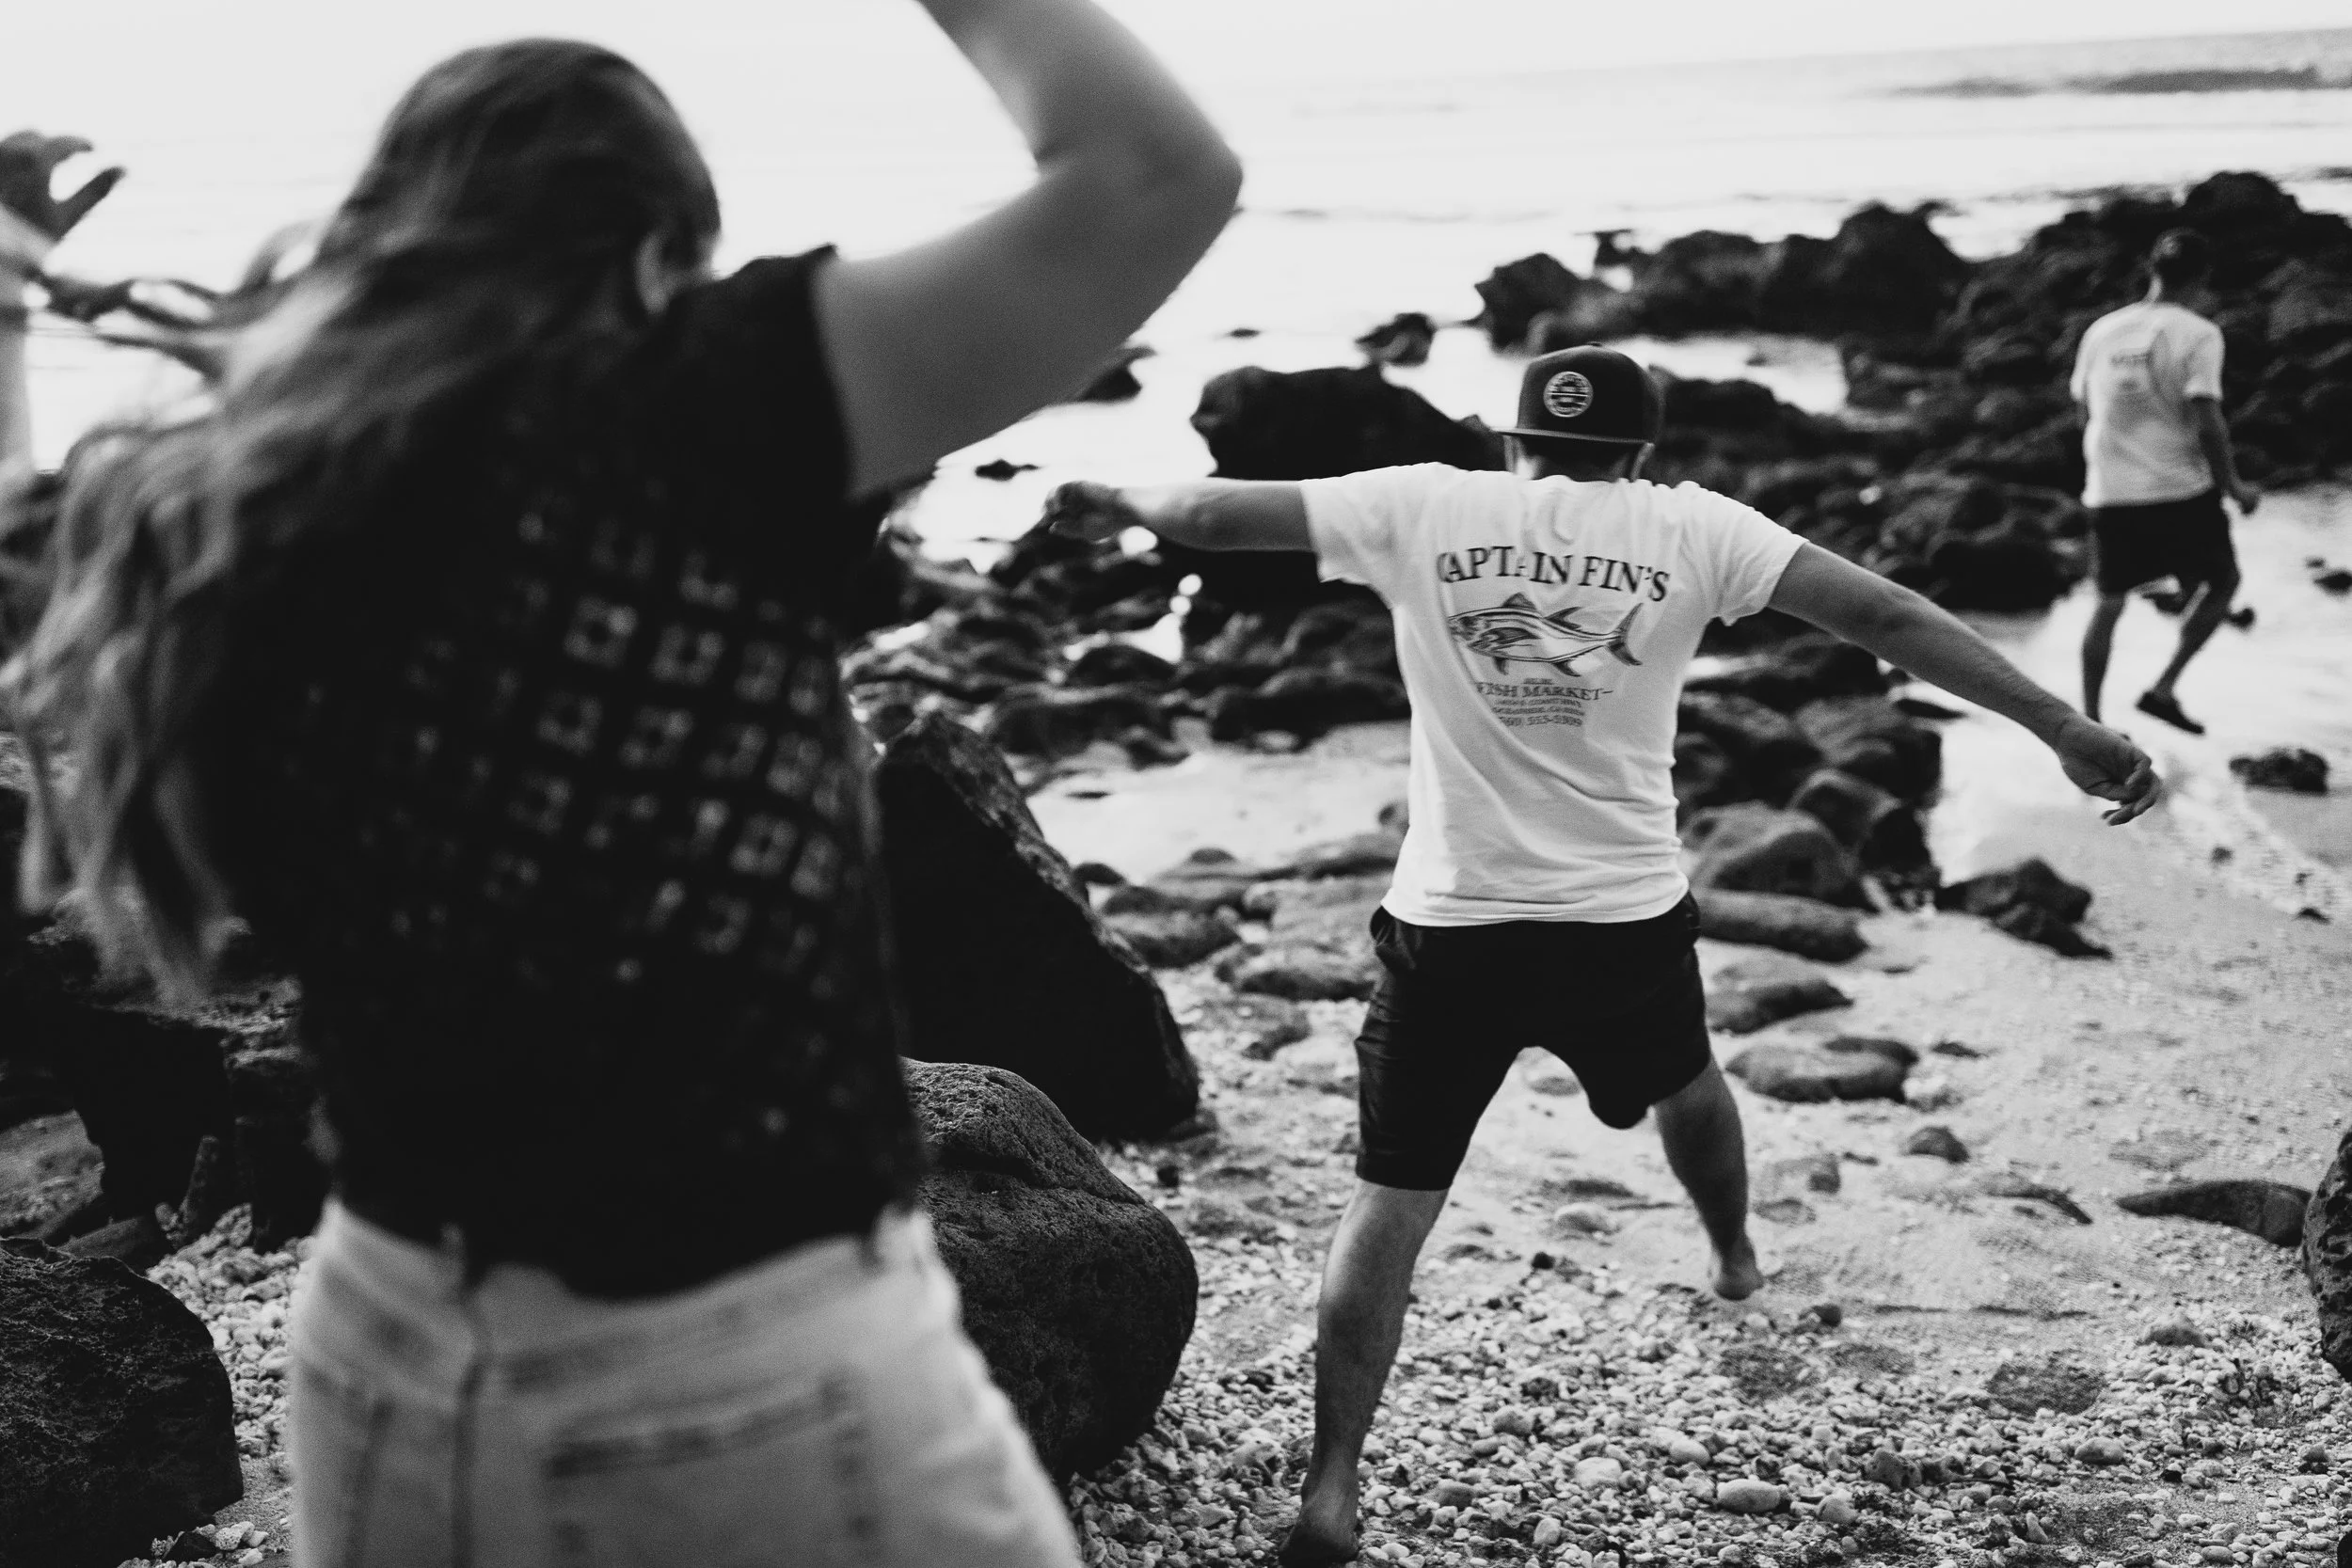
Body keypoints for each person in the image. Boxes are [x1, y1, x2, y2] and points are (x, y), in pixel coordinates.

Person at [0, 6, 1238, 1562]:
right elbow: (1154, 175)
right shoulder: (697, 405)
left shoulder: (253, 501)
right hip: (749, 1336)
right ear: (660, 245)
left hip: (398, 1344)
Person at [1045, 343, 2161, 1567]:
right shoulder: (1692, 527)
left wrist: (1116, 497)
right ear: (1638, 451)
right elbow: (1885, 614)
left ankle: (1331, 1489)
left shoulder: (1432, 500)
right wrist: (2062, 724)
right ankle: (1734, 1253)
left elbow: (1210, 512)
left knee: (1388, 1201)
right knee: (1689, 1078)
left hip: (1450, 929)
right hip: (1620, 923)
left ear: (1520, 443)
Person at [2072, 227, 2261, 735]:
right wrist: (2235, 488)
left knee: (2108, 605)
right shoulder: (2199, 334)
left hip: (2109, 492)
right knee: (2224, 582)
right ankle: (2163, 688)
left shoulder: (2101, 331)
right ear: (2202, 277)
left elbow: (2086, 408)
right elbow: (2208, 422)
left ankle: (2090, 723)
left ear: (2152, 270)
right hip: (2179, 493)